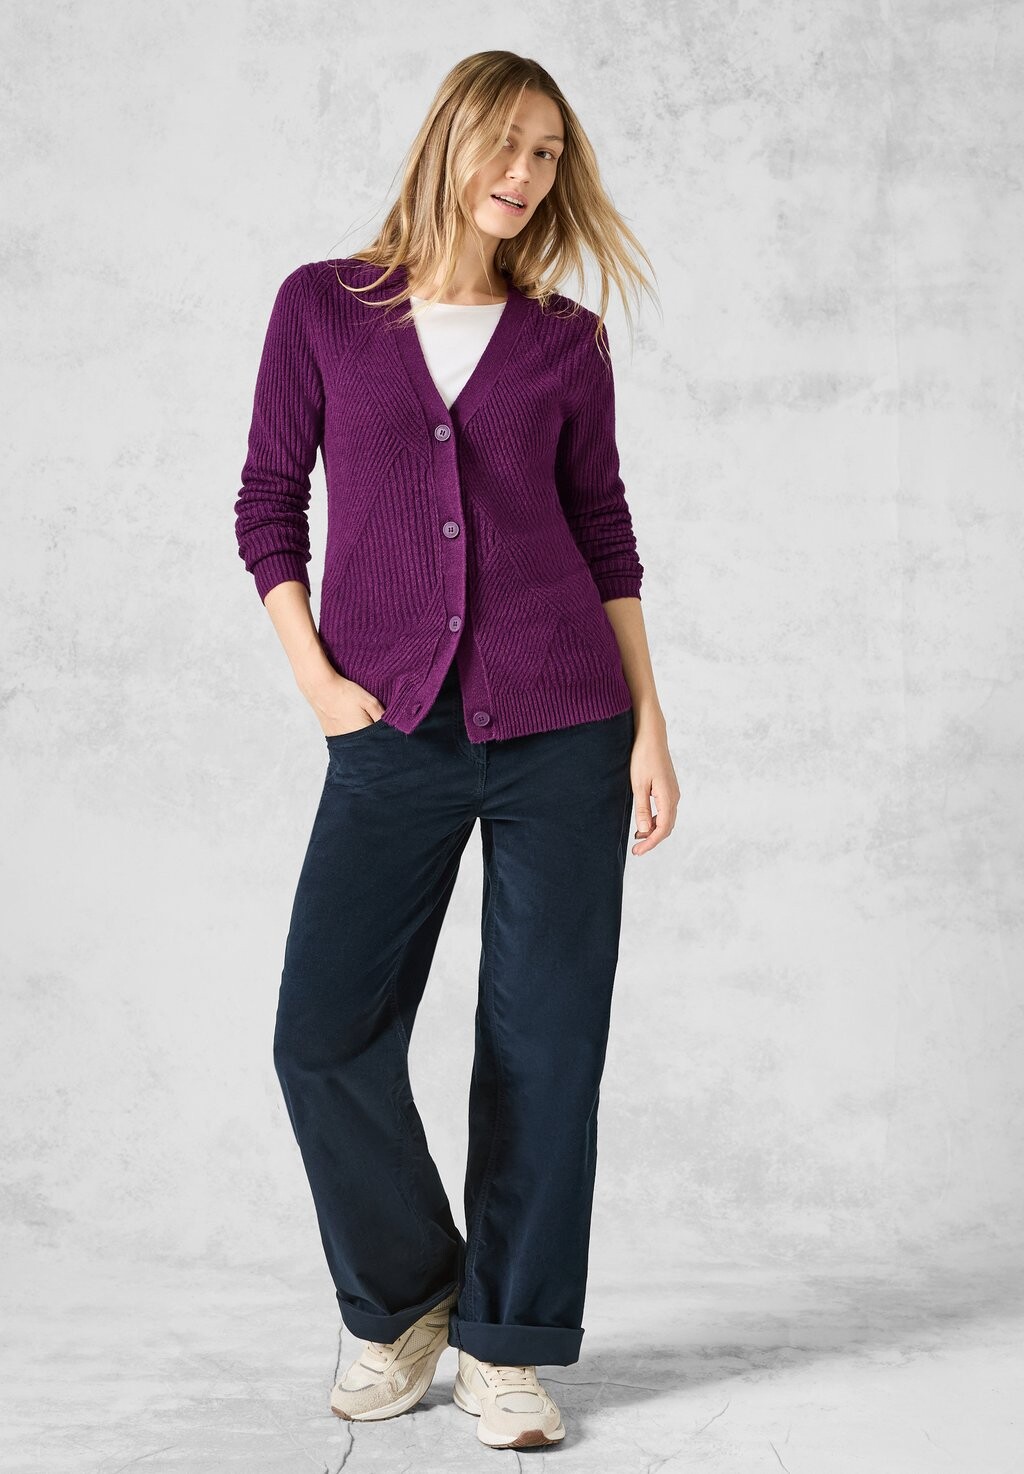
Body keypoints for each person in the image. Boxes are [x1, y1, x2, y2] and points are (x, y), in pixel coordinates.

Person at [233, 49, 680, 1453]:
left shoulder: (564, 341)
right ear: (449, 141)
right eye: (507, 142)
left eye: (549, 153)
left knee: (545, 1043)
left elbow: (605, 533)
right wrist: (317, 680)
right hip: (390, 726)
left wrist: (651, 725)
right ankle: (409, 1296)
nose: (526, 173)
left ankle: (508, 1345)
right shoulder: (324, 306)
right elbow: (267, 503)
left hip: (567, 726)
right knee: (322, 1036)